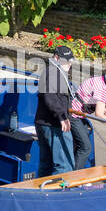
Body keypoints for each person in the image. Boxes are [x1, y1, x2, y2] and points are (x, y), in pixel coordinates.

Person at [69, 64, 106, 171]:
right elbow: (99, 115)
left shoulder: (99, 79)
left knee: (82, 140)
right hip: (74, 115)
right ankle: (74, 178)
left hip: (75, 112)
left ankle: (78, 171)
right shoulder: (103, 89)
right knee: (85, 148)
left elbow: (88, 98)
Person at [35, 44, 76, 177]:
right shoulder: (54, 72)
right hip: (53, 124)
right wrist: (62, 116)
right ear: (56, 58)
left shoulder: (51, 71)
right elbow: (50, 96)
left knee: (46, 164)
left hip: (43, 122)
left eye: (71, 61)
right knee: (64, 164)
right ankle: (61, 195)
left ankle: (41, 194)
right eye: (66, 61)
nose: (69, 64)